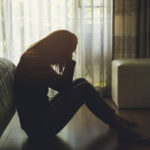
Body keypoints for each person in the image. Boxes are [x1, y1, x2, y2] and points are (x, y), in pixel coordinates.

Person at [14, 30, 149, 143]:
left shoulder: (33, 58)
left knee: (80, 82)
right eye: (69, 51)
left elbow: (61, 85)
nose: (70, 54)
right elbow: (64, 86)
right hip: (40, 128)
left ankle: (115, 119)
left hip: (37, 122)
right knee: (84, 89)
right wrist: (69, 61)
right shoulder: (34, 62)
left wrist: (67, 58)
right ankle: (123, 131)